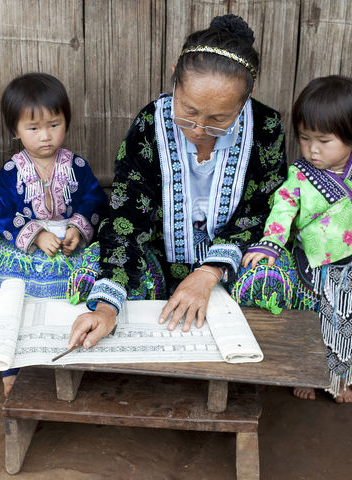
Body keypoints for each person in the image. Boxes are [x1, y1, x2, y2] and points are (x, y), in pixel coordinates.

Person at [68, 14, 288, 350]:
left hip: (231, 262)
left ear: (247, 97)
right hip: (158, 259)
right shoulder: (150, 125)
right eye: (188, 110)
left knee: (270, 277)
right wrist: (108, 304)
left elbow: (263, 207)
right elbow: (128, 214)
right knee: (92, 272)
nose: (199, 130)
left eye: (218, 119)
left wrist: (209, 272)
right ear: (175, 77)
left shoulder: (266, 127)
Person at [243, 75, 352, 403]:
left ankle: (341, 378)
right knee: (316, 322)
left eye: (324, 141)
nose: (312, 149)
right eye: (304, 138)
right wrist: (271, 243)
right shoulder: (299, 176)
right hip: (316, 268)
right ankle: (308, 373)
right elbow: (282, 210)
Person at [0, 73, 107, 395]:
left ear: (65, 122)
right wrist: (36, 235)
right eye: (33, 128)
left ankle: (65, 356)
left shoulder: (77, 166)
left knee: (76, 295)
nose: (45, 136)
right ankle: (11, 365)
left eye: (54, 124)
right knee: (16, 299)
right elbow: (1, 211)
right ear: (16, 131)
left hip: (69, 246)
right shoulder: (13, 171)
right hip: (25, 250)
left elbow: (94, 199)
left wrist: (77, 228)